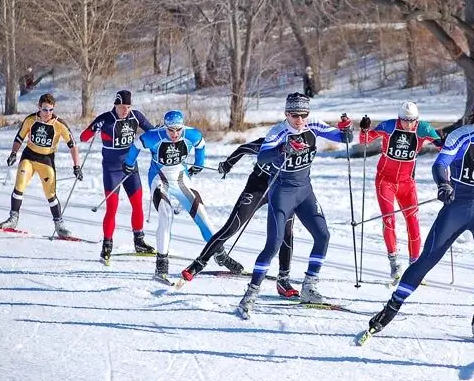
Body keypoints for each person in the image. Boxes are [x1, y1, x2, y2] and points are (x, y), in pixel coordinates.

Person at [364, 90, 474, 340]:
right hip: (457, 206)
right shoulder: (461, 136)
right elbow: (440, 164)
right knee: (427, 259)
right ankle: (390, 309)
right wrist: (443, 184)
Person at [235, 92, 353, 318]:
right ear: (286, 114)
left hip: (305, 191)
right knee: (273, 245)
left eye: (303, 115)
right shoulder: (278, 131)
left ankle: (309, 287)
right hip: (282, 192)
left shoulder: (312, 124)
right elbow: (262, 158)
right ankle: (249, 295)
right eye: (295, 115)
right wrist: (282, 149)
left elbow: (343, 138)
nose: (300, 120)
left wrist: (348, 130)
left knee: (323, 236)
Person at [179, 136, 297, 297]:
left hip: (284, 191)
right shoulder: (269, 142)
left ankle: (283, 279)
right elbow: (243, 149)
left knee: (287, 233)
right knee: (232, 226)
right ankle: (198, 264)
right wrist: (228, 164)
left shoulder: (302, 147)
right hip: (258, 187)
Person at [122, 110, 232, 283]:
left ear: (183, 127)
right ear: (165, 127)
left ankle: (220, 254)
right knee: (166, 215)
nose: (174, 134)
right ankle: (161, 266)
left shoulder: (192, 134)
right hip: (159, 179)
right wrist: (128, 164)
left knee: (202, 216)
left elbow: (201, 145)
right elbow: (136, 145)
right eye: (170, 130)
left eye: (178, 130)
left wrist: (199, 164)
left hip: (181, 179)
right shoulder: (154, 136)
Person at [358, 101, 443, 280]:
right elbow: (364, 140)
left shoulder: (423, 128)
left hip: (407, 184)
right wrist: (364, 129)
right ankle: (394, 262)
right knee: (389, 219)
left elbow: (441, 146)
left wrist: (443, 140)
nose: (408, 124)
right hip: (385, 181)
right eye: (405, 120)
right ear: (399, 118)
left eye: (412, 121)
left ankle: (414, 265)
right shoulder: (389, 126)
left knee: (413, 222)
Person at [81, 90, 156, 265]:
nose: (125, 111)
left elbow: (152, 132)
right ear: (115, 105)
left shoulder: (136, 116)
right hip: (112, 170)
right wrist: (94, 129)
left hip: (130, 168)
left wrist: (159, 132)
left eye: (128, 107)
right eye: (122, 107)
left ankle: (139, 242)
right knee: (112, 208)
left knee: (137, 204)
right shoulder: (105, 119)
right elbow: (83, 138)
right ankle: (107, 246)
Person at [0, 93, 81, 237]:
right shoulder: (31, 120)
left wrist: (76, 166)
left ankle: (59, 225)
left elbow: (73, 146)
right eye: (45, 109)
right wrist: (13, 153)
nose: (48, 113)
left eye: (51, 110)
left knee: (50, 193)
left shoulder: (59, 125)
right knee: (19, 184)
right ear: (39, 108)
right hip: (29, 157)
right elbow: (19, 138)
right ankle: (13, 218)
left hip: (46, 161)